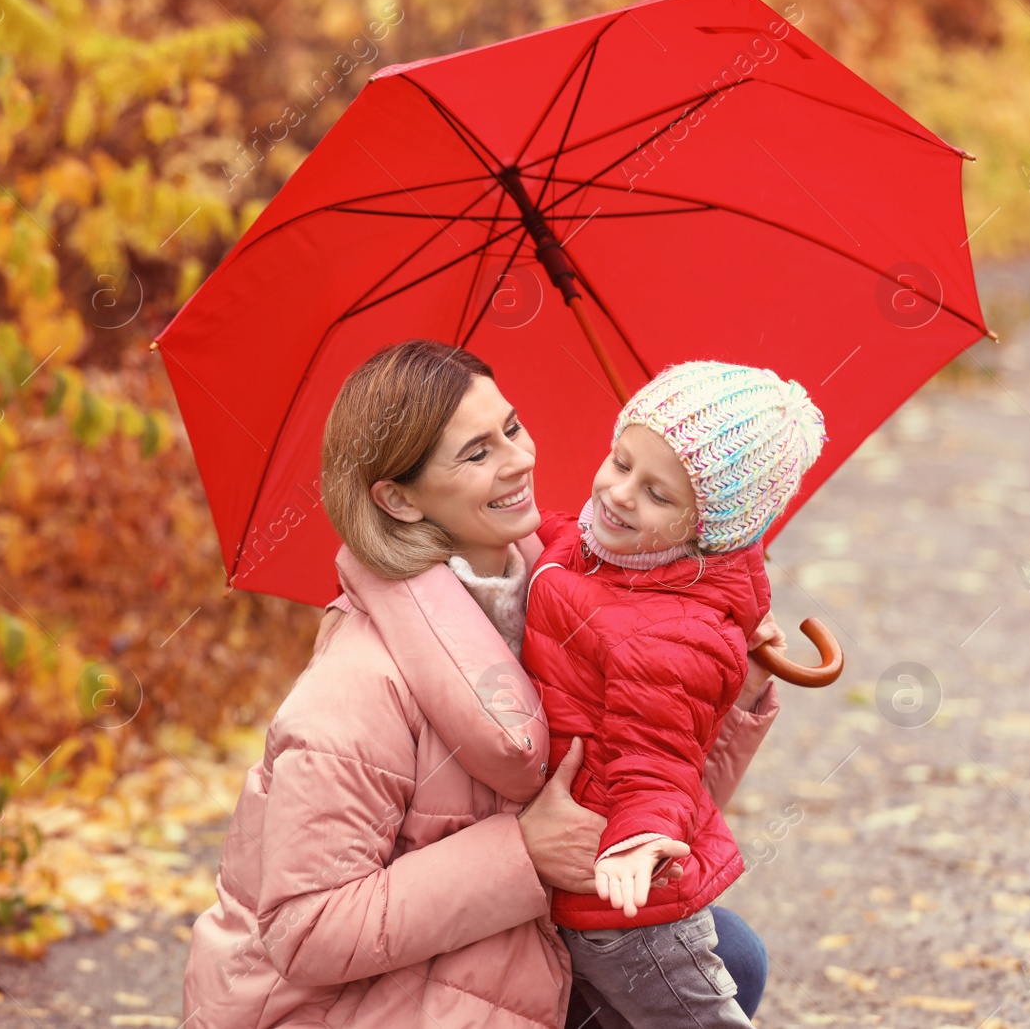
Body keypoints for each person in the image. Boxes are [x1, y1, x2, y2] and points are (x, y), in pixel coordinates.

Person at [182, 341, 787, 1028]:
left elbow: (642, 795)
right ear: (398, 500)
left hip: (479, 951)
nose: (520, 459)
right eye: (477, 454)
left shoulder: (567, 593)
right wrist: (523, 852)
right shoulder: (355, 686)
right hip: (350, 1006)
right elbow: (305, 927)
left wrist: (727, 686)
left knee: (724, 952)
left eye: (512, 426)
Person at [522, 361, 826, 1027]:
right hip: (583, 888)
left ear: (705, 529)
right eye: (620, 460)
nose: (620, 493)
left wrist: (642, 836)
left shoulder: (675, 631)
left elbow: (657, 755)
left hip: (626, 908)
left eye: (658, 493)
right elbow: (553, 541)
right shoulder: (600, 547)